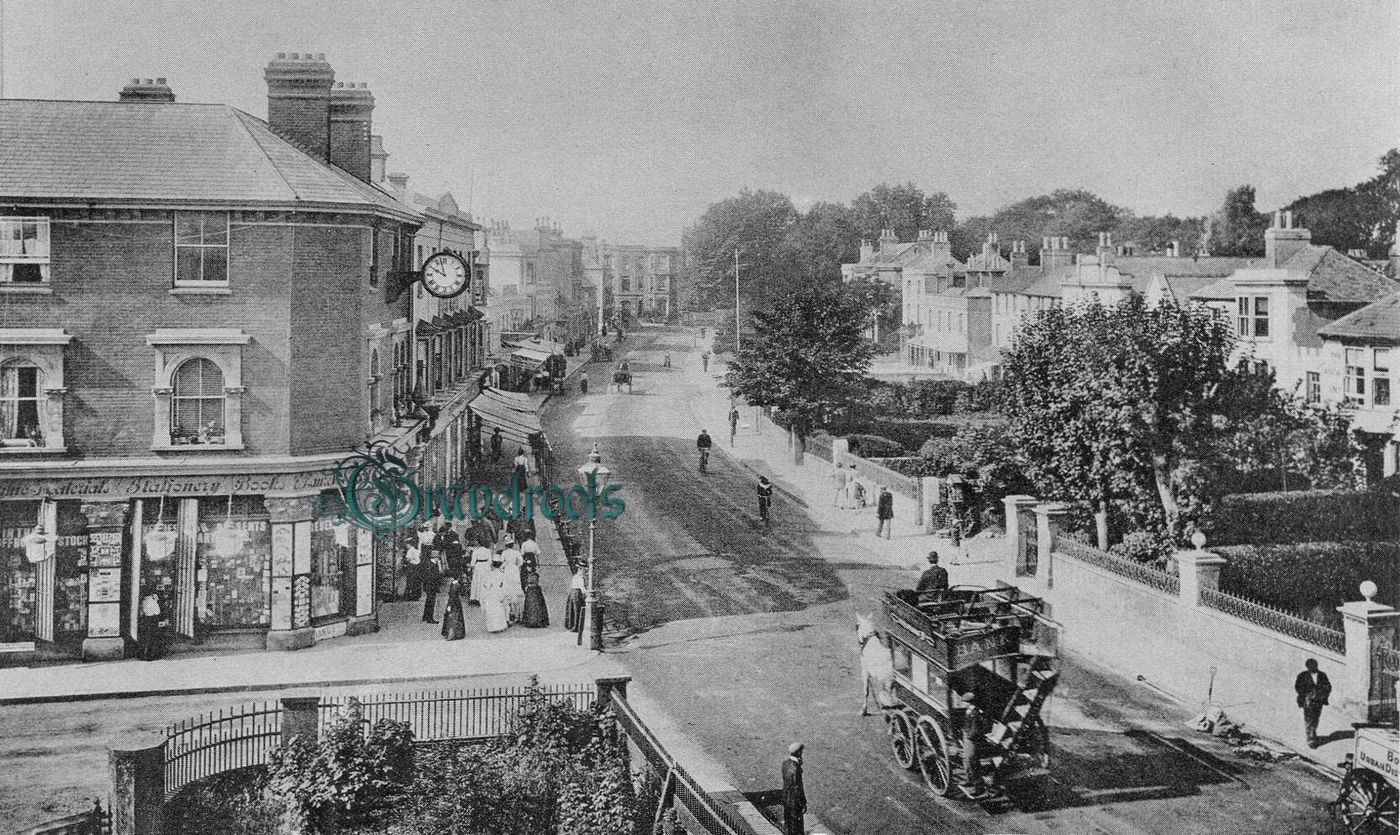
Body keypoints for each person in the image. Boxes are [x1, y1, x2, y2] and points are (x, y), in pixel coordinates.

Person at [1294, 658, 1332, 748]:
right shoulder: (1302, 676)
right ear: (1307, 667)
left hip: (1318, 700)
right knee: (1308, 719)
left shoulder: (1322, 675)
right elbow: (1298, 687)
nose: (1313, 668)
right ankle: (1310, 739)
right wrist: (1305, 694)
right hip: (1308, 700)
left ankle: (1313, 732)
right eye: (1310, 667)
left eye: (1314, 666)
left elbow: (1328, 686)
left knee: (1316, 717)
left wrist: (1323, 694)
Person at [959, 691, 990, 799]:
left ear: (969, 703)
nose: (962, 703)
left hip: (971, 741)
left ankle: (979, 788)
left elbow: (976, 730)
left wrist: (968, 736)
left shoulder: (975, 714)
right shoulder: (970, 711)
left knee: (972, 763)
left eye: (964, 702)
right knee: (966, 761)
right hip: (968, 739)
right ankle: (969, 781)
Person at [481, 552, 511, 634]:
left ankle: (493, 626)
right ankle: (500, 625)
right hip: (500, 591)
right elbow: (505, 584)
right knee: (499, 608)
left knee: (492, 608)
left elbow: (487, 585)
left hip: (492, 591)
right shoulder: (502, 574)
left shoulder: (490, 574)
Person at [782, 742, 807, 835]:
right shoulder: (796, 768)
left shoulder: (785, 763)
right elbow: (797, 786)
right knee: (797, 827)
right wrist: (803, 802)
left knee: (788, 825)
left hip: (786, 799)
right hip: (795, 801)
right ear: (798, 753)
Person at [137, 584, 164, 661]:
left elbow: (141, 612)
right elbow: (157, 612)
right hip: (152, 619)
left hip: (145, 619)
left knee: (144, 637)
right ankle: (150, 655)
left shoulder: (143, 601)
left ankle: (142, 655)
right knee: (153, 638)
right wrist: (156, 601)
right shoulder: (152, 601)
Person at [420, 548, 445, 624]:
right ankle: (430, 618)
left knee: (429, 600)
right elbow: (438, 574)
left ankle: (425, 616)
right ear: (436, 557)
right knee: (431, 601)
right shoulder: (432, 565)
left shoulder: (429, 563)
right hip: (431, 586)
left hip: (429, 585)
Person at [441, 576, 466, 641]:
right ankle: (459, 633)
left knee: (451, 618)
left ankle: (451, 634)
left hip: (453, 603)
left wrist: (449, 605)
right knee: (457, 617)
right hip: (457, 603)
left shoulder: (454, 585)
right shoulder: (457, 584)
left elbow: (452, 596)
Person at [564, 569, 586, 633]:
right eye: (583, 571)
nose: (584, 572)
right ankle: (576, 627)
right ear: (579, 570)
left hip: (572, 593)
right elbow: (582, 588)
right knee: (577, 610)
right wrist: (587, 593)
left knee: (572, 610)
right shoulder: (580, 578)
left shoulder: (575, 576)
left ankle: (572, 625)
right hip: (577, 594)